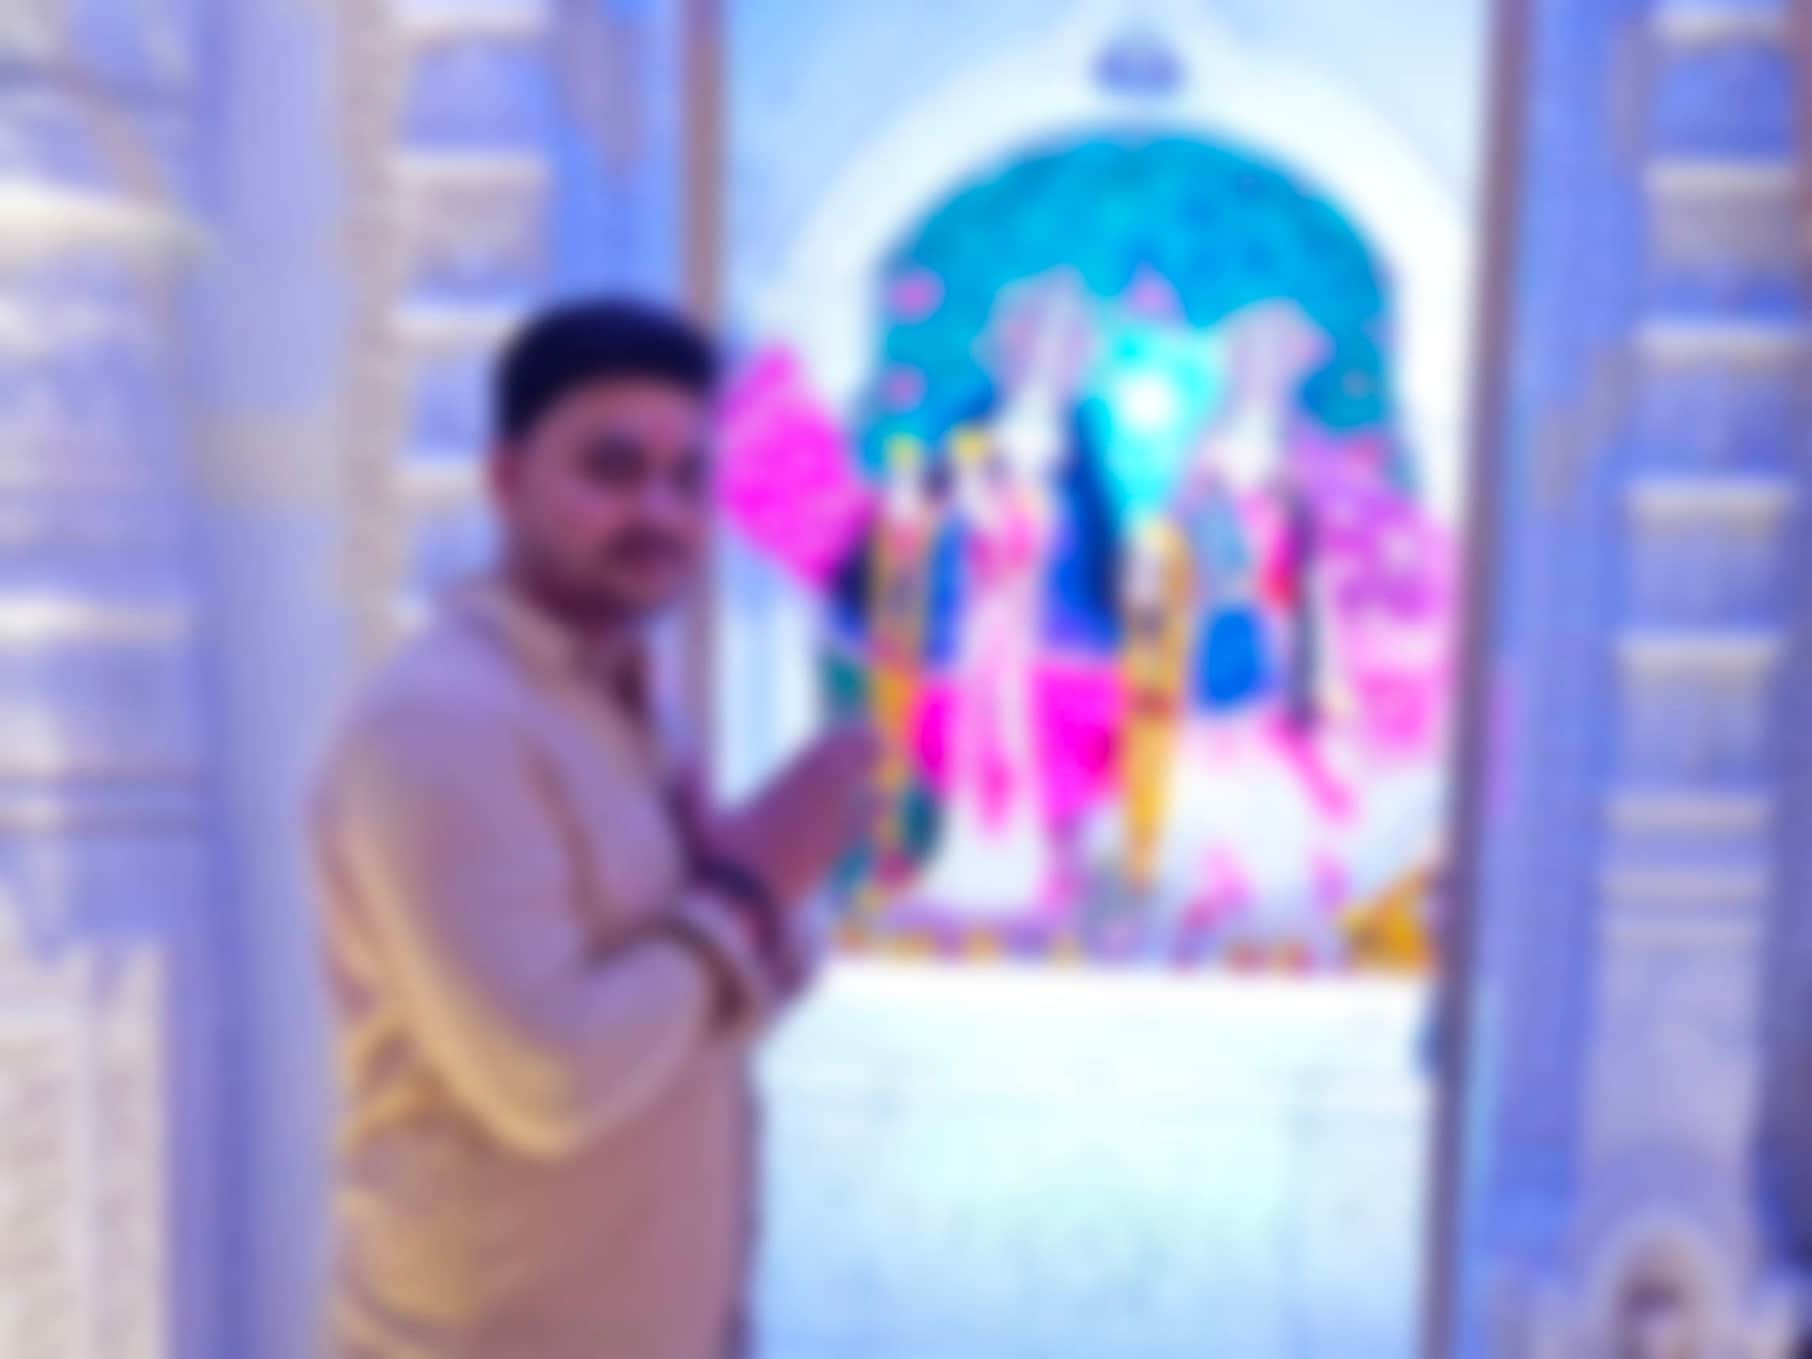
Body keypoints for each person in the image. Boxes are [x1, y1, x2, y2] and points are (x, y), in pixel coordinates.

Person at [311, 299, 876, 1358]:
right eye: (612, 468)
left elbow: (721, 1002)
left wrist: (764, 892)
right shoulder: (443, 722)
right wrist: (747, 889)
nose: (658, 510)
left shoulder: (625, 704)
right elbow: (549, 1080)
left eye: (688, 477)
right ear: (506, 479)